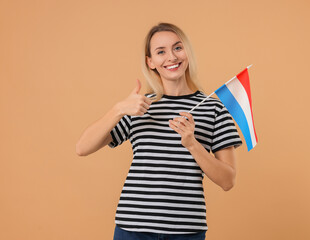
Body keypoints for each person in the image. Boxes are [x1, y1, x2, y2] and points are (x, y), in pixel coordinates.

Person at [76, 22, 242, 240]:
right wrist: (118, 109)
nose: (171, 57)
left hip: (186, 232)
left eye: (177, 48)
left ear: (187, 52)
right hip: (132, 230)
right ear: (151, 62)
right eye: (161, 52)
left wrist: (193, 144)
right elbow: (82, 147)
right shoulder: (140, 106)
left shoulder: (213, 108)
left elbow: (227, 181)